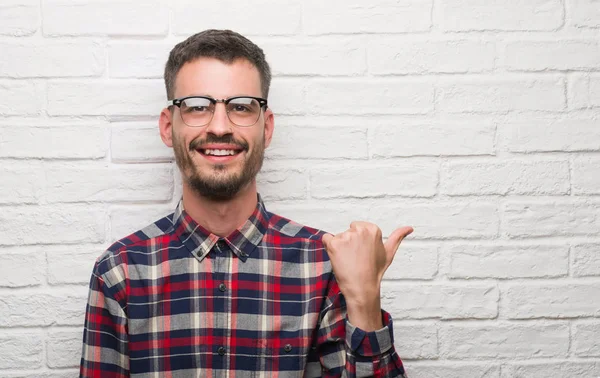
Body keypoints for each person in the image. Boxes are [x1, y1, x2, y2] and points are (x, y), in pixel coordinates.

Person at [79, 29, 413, 378]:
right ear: (168, 127)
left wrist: (364, 301)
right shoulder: (119, 272)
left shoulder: (325, 266)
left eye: (240, 107)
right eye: (196, 107)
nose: (220, 127)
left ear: (267, 129)